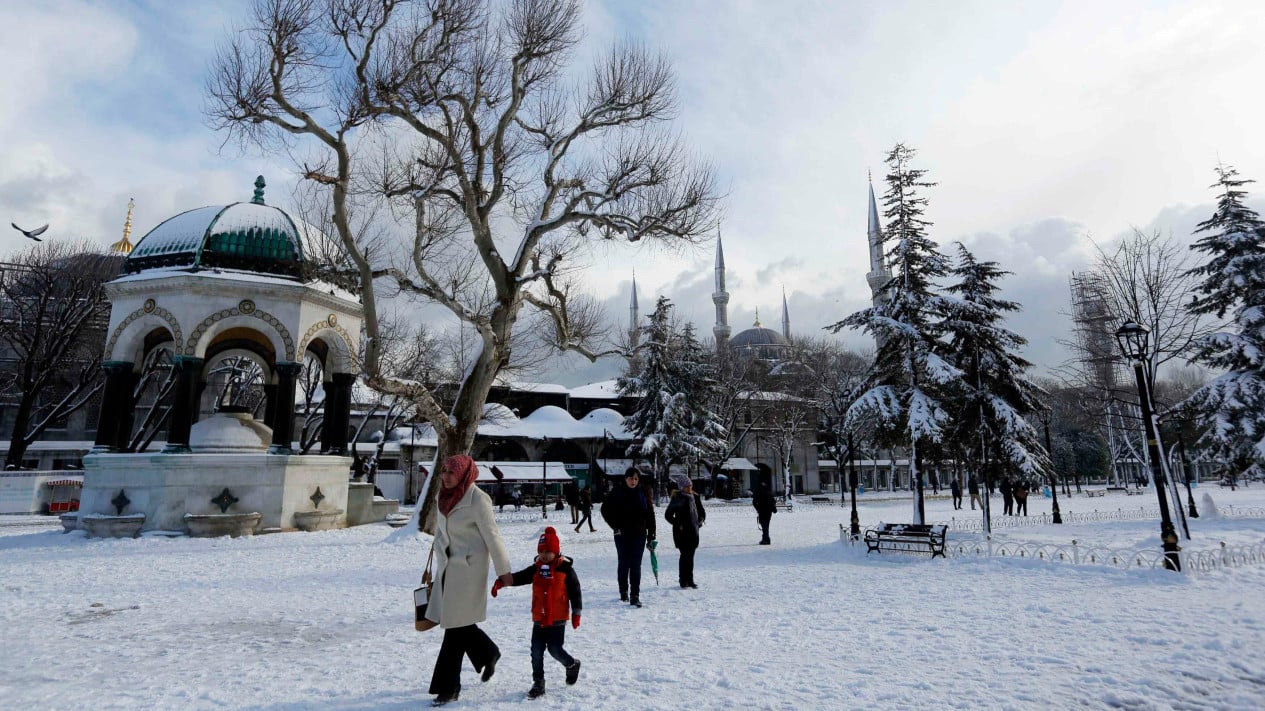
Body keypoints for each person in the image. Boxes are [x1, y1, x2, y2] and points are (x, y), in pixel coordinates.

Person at [423, 455, 514, 707]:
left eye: (451, 472)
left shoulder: (477, 499)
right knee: (459, 626)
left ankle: (449, 687)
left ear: (463, 473)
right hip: (447, 570)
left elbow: (492, 536)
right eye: (443, 471)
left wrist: (503, 569)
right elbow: (441, 531)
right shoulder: (441, 496)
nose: (446, 476)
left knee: (454, 628)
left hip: (469, 571)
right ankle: (487, 652)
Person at [491, 526, 582, 699]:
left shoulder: (565, 569)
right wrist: (502, 582)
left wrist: (577, 613)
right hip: (539, 617)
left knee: (555, 649)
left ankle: (571, 665)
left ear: (556, 551)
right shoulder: (536, 568)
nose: (545, 555)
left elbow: (575, 591)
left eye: (548, 551)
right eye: (542, 552)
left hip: (558, 618)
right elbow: (519, 577)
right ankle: (538, 682)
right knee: (536, 651)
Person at [600, 467, 656, 607]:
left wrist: (651, 534)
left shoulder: (643, 493)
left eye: (636, 478)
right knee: (624, 562)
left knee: (636, 564)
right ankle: (623, 591)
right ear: (626, 479)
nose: (633, 481)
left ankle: (635, 595)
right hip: (622, 534)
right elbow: (604, 509)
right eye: (631, 478)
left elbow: (650, 513)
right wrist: (615, 526)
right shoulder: (618, 492)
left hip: (639, 533)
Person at [665, 474, 705, 587]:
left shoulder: (695, 497)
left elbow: (702, 512)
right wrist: (678, 524)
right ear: (681, 487)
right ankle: (683, 580)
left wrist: (701, 519)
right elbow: (668, 515)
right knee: (685, 556)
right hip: (681, 533)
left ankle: (690, 580)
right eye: (687, 486)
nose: (689, 488)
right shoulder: (677, 498)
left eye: (690, 486)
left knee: (690, 556)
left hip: (693, 531)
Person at [752, 481, 776, 545]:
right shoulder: (769, 492)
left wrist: (758, 509)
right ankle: (766, 538)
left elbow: (754, 502)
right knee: (766, 525)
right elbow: (773, 501)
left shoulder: (758, 492)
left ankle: (766, 539)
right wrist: (773, 509)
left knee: (764, 525)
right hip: (768, 511)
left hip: (762, 511)